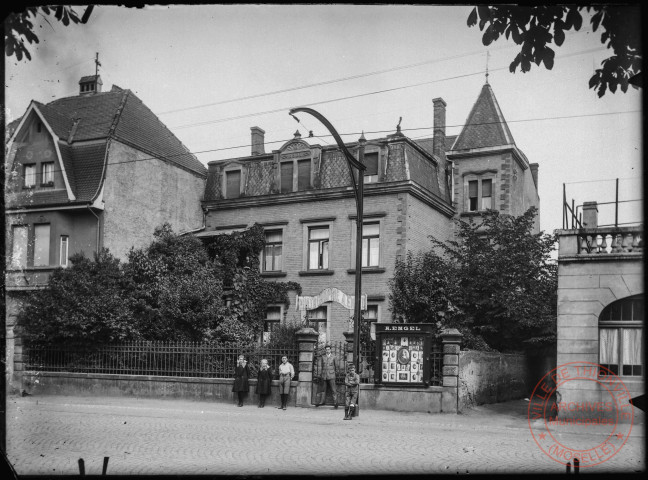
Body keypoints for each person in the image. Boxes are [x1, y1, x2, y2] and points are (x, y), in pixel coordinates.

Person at [315, 344, 338, 408]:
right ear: (325, 350)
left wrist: (334, 374)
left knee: (333, 390)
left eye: (328, 349)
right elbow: (320, 366)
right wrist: (320, 374)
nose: (327, 350)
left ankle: (335, 403)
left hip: (331, 375)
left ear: (330, 350)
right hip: (324, 375)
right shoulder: (323, 357)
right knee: (323, 389)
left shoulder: (334, 357)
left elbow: (336, 367)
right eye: (326, 349)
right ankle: (322, 402)